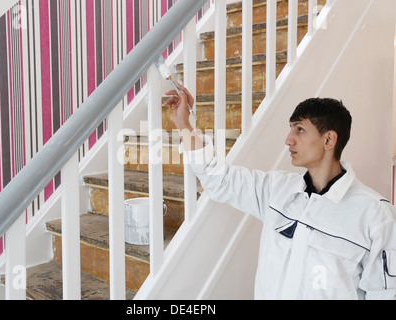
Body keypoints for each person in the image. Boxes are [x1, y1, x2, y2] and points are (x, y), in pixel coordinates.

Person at [164, 81, 396, 300]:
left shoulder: (376, 216)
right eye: (291, 129)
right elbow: (219, 180)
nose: (288, 139)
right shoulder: (277, 190)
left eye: (300, 130)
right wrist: (184, 125)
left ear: (329, 140)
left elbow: (385, 294)